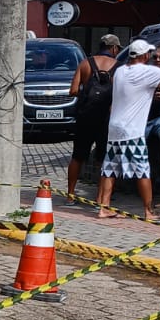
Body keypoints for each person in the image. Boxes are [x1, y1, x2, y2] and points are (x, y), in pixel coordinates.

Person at [97, 39, 160, 223]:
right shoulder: (146, 71)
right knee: (142, 170)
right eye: (149, 55)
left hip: (115, 128)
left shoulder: (120, 71)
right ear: (144, 56)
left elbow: (134, 86)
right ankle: (148, 211)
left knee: (110, 168)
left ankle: (104, 208)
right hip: (132, 132)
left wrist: (155, 85)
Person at [66, 33, 120, 199]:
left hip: (85, 117)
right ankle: (100, 197)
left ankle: (70, 194)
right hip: (106, 118)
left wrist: (88, 93)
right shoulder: (118, 66)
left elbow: (73, 91)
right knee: (103, 158)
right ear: (114, 48)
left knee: (77, 156)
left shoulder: (85, 63)